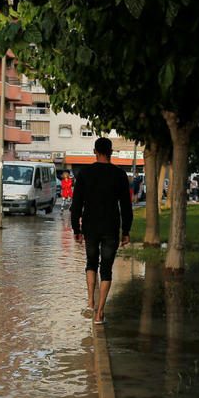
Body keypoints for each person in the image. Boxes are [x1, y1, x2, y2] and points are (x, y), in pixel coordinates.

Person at [71, 137, 133, 325]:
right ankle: (99, 314)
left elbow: (76, 204)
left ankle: (90, 301)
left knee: (91, 263)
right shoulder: (119, 175)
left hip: (90, 226)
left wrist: (76, 228)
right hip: (111, 227)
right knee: (106, 269)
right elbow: (126, 206)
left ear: (95, 151)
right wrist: (126, 231)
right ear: (111, 152)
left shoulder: (84, 173)